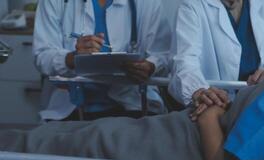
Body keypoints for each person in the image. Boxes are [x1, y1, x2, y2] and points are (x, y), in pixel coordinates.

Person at [1, 71, 264, 160]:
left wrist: (210, 114)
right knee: (62, 138)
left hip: (184, 147)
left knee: (61, 147)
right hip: (176, 129)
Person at [33, 0, 171, 121]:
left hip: (133, 105)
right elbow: (42, 56)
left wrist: (150, 66)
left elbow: (163, 55)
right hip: (70, 107)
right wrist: (72, 58)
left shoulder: (147, 3)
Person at [168, 0, 264, 118]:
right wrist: (198, 90)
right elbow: (184, 62)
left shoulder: (261, 4)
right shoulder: (192, 6)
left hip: (257, 106)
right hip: (214, 107)